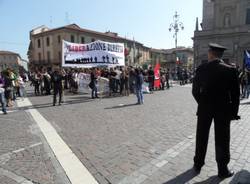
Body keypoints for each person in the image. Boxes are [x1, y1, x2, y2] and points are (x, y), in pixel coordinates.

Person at [192, 43, 240, 178]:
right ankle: (222, 169)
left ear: (211, 54)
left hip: (204, 109)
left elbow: (195, 91)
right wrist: (233, 113)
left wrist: (202, 103)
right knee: (222, 139)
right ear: (220, 55)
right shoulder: (230, 70)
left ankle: (198, 164)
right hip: (223, 110)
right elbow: (235, 95)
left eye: (208, 52)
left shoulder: (201, 69)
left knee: (201, 136)